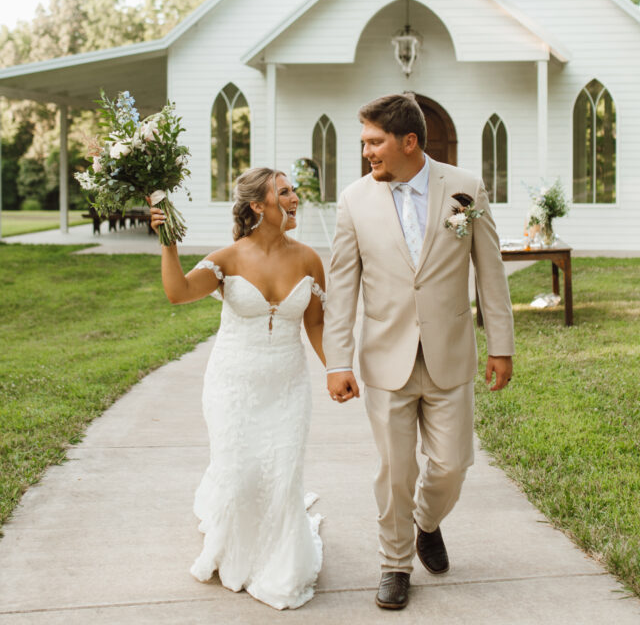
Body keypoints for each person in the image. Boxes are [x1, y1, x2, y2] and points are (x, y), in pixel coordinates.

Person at [324, 93, 514, 611]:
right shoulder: (354, 201)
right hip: (385, 357)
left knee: (453, 463)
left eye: (374, 141)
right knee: (395, 470)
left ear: (408, 141)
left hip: (450, 352)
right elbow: (342, 287)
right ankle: (394, 564)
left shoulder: (465, 189)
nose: (366, 152)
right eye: (364, 142)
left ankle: (426, 522)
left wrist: (502, 344)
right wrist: (337, 361)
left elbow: (490, 271)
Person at [148, 167, 327, 610]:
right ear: (257, 205)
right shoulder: (226, 259)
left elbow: (317, 324)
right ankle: (236, 550)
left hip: (288, 385)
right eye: (283, 192)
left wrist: (338, 370)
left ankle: (281, 564)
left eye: (293, 192)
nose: (294, 198)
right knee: (241, 476)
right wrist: (168, 243)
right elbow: (178, 293)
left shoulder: (308, 259)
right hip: (233, 386)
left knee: (283, 479)